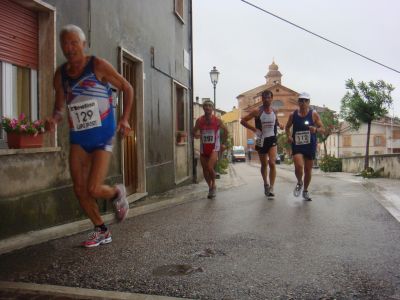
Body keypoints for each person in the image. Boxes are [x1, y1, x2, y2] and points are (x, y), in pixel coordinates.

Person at [46, 24, 133, 247]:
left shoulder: (97, 65)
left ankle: (116, 192)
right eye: (65, 43)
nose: (69, 47)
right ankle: (101, 230)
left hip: (102, 136)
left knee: (93, 188)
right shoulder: (61, 75)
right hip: (79, 139)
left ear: (83, 45)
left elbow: (127, 87)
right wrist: (53, 120)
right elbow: (59, 108)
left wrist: (124, 119)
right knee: (79, 189)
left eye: (74, 42)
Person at [240, 90, 284, 197]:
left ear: (272, 98)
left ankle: (272, 187)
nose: (266, 100)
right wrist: (254, 129)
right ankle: (266, 184)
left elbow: (275, 121)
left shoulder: (274, 110)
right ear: (262, 99)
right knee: (264, 164)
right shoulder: (257, 111)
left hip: (272, 138)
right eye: (264, 98)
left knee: (272, 163)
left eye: (269, 97)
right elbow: (243, 121)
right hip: (261, 140)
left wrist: (280, 125)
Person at [285, 92, 324, 201]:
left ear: (308, 102)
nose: (303, 102)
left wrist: (316, 129)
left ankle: (305, 191)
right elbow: (287, 128)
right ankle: (299, 182)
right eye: (301, 100)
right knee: (298, 166)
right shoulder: (293, 115)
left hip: (310, 145)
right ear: (298, 102)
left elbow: (322, 129)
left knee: (308, 170)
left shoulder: (313, 114)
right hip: (297, 145)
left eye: (305, 100)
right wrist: (288, 136)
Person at [193, 100, 228, 199]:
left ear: (212, 108)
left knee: (209, 167)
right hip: (204, 148)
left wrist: (223, 144)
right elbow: (194, 131)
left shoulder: (217, 120)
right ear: (203, 108)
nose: (207, 107)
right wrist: (196, 135)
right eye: (206, 106)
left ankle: (214, 184)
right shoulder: (199, 120)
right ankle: (210, 187)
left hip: (214, 148)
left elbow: (226, 131)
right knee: (205, 170)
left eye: (209, 106)